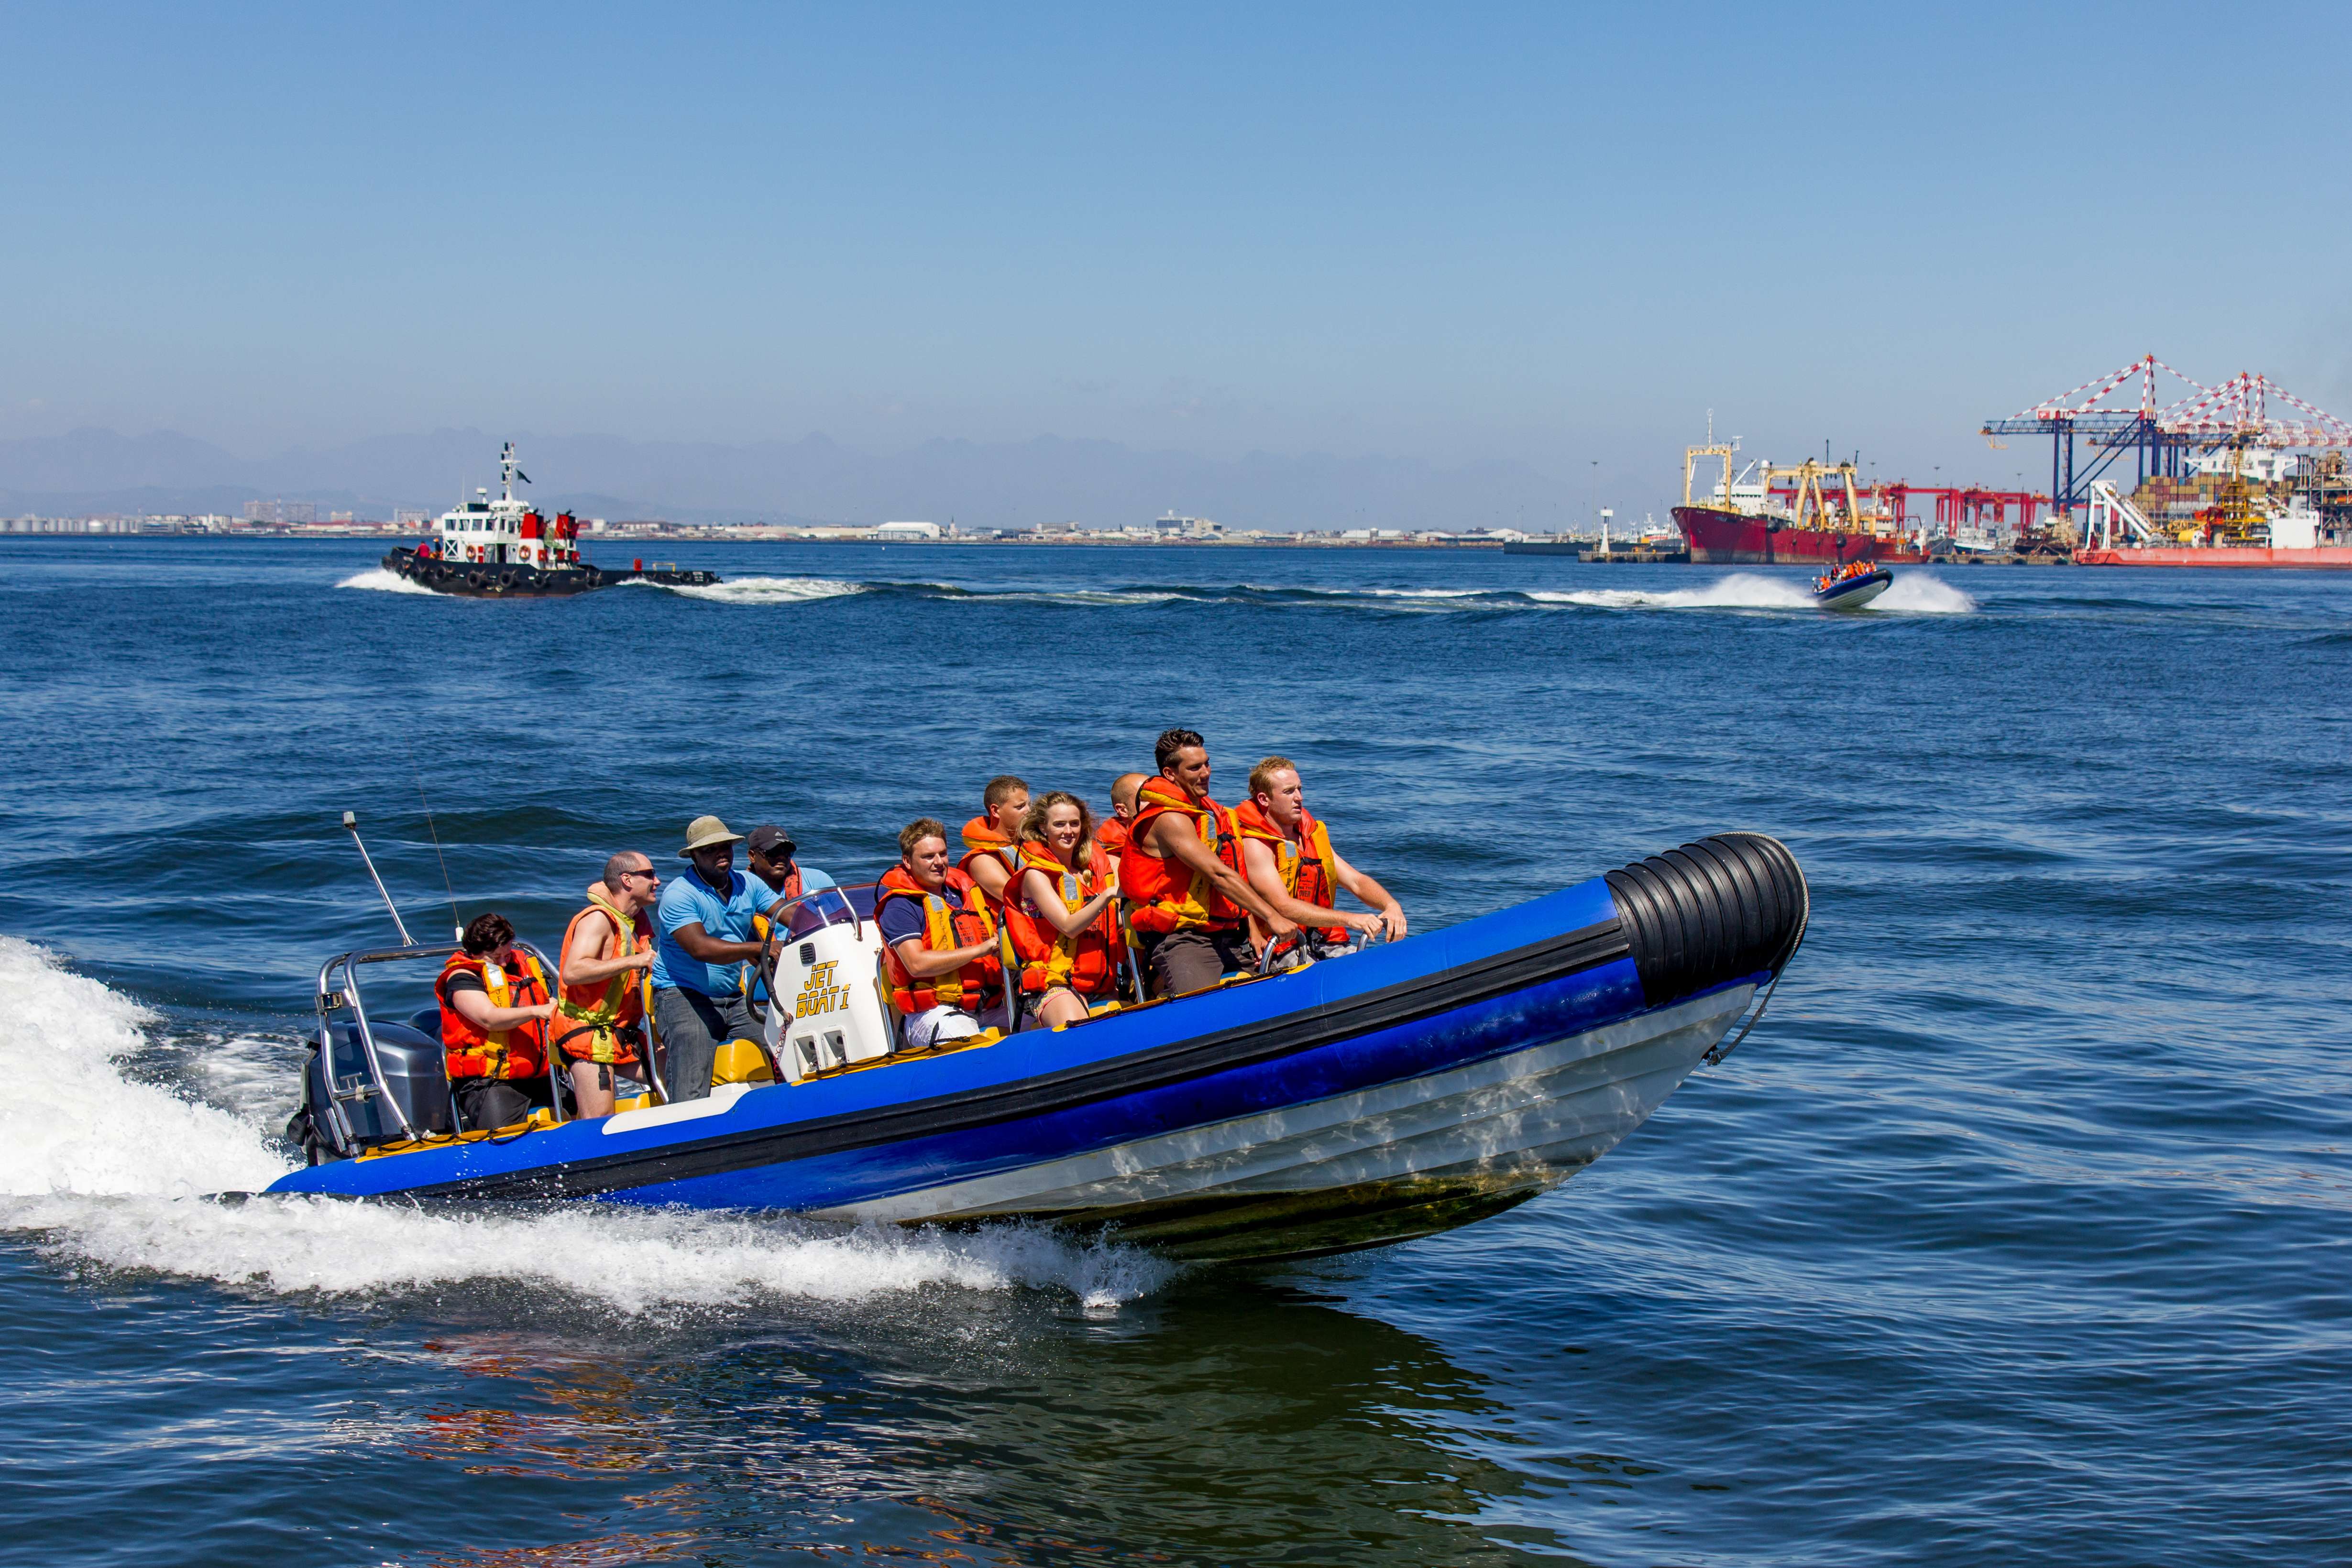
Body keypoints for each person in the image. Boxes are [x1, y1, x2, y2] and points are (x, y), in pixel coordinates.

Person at [1120, 728, 1297, 997]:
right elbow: (1219, 875)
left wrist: (1252, 928)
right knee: (1205, 1010)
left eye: (1207, 763)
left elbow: (1233, 876)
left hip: (1225, 934)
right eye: (1194, 768)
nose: (1206, 772)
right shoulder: (1169, 819)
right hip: (1183, 938)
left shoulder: (1209, 813)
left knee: (1266, 998)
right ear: (1170, 774)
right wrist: (1271, 916)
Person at [650, 814, 771, 1101]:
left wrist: (828, 921)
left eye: (725, 847)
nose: (720, 854)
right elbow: (700, 949)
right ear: (694, 856)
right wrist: (759, 949)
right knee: (692, 1078)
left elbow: (789, 912)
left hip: (733, 996)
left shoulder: (747, 883)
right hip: (682, 995)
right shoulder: (680, 894)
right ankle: (683, 1133)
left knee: (778, 1046)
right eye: (709, 850)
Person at [1236, 757, 1407, 959]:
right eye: (1289, 792)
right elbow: (1283, 906)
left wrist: (1391, 905)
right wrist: (1351, 919)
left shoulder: (1310, 834)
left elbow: (1356, 881)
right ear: (1265, 799)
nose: (1299, 797)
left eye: (1300, 789)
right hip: (1281, 948)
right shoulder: (1255, 845)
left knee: (1379, 965)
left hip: (1322, 940)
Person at [875, 818, 1004, 1050]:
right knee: (971, 1046)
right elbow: (917, 965)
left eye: (943, 854)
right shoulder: (901, 906)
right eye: (928, 857)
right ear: (907, 861)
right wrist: (981, 949)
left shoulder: (965, 895)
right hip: (934, 1012)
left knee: (1041, 1026)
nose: (939, 863)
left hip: (988, 1006)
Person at [551, 851, 660, 1119]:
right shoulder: (598, 919)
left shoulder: (633, 923)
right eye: (649, 875)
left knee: (680, 1073)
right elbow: (573, 971)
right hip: (588, 1034)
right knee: (599, 1119)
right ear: (627, 880)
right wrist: (634, 962)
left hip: (623, 1034)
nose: (657, 881)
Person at [1004, 791, 1124, 1029]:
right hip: (1054, 984)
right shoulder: (1036, 875)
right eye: (1059, 824)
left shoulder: (1090, 874)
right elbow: (1068, 927)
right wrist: (1109, 895)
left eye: (1074, 824)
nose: (1068, 831)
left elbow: (1114, 924)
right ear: (1043, 828)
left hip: (1099, 984)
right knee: (1080, 1031)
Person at [436, 911, 558, 1131]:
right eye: (495, 958)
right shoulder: (461, 978)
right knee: (502, 1139)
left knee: (574, 1115)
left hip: (537, 1074)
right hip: (489, 1081)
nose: (503, 963)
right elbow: (489, 1018)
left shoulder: (520, 971)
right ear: (475, 953)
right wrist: (538, 1011)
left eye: (507, 954)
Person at [958, 775, 1031, 910]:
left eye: (1029, 805)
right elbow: (1022, 903)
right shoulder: (981, 860)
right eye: (1020, 807)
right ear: (995, 811)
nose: (1029, 811)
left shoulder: (1028, 845)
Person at [745, 823, 838, 917]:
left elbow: (842, 919)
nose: (781, 857)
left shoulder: (818, 880)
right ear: (752, 856)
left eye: (787, 853)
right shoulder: (741, 891)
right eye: (773, 852)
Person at [1093, 772, 1147, 867]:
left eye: (1158, 796)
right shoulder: (1113, 862)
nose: (1155, 803)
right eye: (1145, 799)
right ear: (1123, 810)